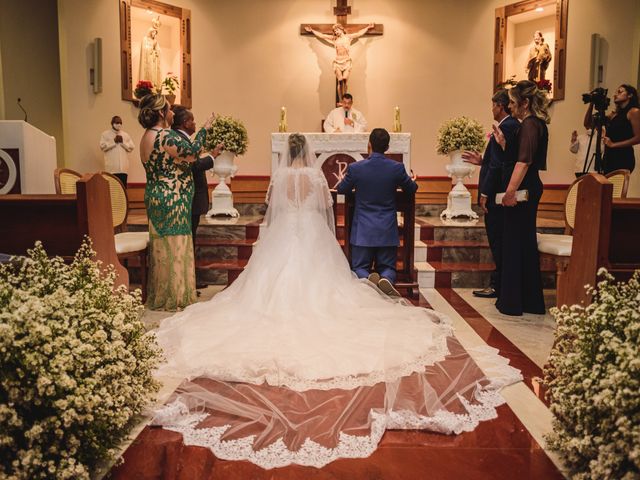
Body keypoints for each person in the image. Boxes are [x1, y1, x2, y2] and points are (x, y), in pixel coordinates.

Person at [151, 133, 521, 469]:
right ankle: (377, 287)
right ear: (308, 153)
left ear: (287, 153)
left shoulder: (280, 178)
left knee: (266, 285)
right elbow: (326, 208)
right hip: (313, 233)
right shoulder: (314, 177)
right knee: (330, 285)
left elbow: (271, 210)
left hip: (283, 234)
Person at [137, 93, 215, 311]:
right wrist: (205, 130)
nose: (172, 113)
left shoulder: (146, 136)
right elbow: (192, 153)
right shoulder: (164, 136)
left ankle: (162, 295)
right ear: (162, 113)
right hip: (172, 199)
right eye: (169, 110)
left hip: (154, 195)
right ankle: (177, 297)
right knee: (177, 247)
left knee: (162, 248)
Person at [336, 128, 418, 296]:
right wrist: (412, 181)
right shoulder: (396, 168)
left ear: (369, 145)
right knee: (388, 267)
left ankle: (366, 279)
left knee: (359, 266)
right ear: (387, 147)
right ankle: (386, 279)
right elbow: (411, 189)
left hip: (363, 231)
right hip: (386, 229)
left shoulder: (356, 168)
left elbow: (342, 189)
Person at [496, 80, 548, 316]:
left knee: (516, 242)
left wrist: (510, 191)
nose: (511, 107)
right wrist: (504, 142)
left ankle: (514, 302)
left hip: (524, 189)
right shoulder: (533, 124)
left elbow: (525, 160)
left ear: (525, 103)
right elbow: (521, 154)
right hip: (527, 186)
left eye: (515, 103)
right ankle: (528, 301)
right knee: (522, 242)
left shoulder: (529, 125)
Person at [462, 90, 520, 299]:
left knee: (497, 239)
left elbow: (497, 166)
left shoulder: (506, 127)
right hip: (502, 191)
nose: (492, 109)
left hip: (497, 193)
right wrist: (482, 161)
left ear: (501, 106)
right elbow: (499, 160)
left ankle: (498, 285)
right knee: (500, 239)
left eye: (494, 105)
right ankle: (501, 283)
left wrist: (485, 192)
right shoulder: (513, 126)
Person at [171, 105, 224, 290]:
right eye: (192, 120)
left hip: (192, 194)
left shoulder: (182, 139)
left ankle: (190, 277)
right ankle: (188, 280)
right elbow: (194, 166)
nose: (194, 123)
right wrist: (213, 155)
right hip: (191, 195)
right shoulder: (178, 140)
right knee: (189, 238)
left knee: (191, 238)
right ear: (185, 123)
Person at [305, 23, 374, 99]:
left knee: (344, 80)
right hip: (338, 62)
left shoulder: (348, 37)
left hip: (346, 61)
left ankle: (344, 98)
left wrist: (367, 27)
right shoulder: (334, 39)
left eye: (337, 30)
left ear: (341, 29)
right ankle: (341, 99)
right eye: (335, 31)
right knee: (340, 80)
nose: (336, 32)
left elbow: (359, 33)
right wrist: (312, 30)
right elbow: (322, 36)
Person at [584, 84, 640, 174]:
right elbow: (588, 124)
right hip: (608, 158)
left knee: (616, 187)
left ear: (630, 95)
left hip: (623, 158)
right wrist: (592, 102)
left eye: (620, 92)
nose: (615, 95)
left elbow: (638, 138)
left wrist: (613, 144)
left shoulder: (633, 111)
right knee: (607, 187)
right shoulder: (614, 115)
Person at [99, 115, 134, 186]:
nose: (119, 124)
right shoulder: (105, 134)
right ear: (112, 123)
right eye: (117, 122)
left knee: (122, 188)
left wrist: (122, 143)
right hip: (112, 168)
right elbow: (102, 147)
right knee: (112, 189)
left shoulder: (125, 135)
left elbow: (131, 147)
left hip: (123, 168)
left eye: (120, 123)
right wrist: (113, 142)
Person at [139, 17, 162, 89]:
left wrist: (156, 50)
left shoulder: (155, 41)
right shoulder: (145, 39)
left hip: (154, 62)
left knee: (154, 76)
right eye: (153, 32)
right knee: (149, 75)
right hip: (148, 62)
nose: (155, 34)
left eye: (156, 33)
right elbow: (145, 50)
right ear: (150, 32)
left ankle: (155, 87)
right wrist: (152, 46)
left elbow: (159, 51)